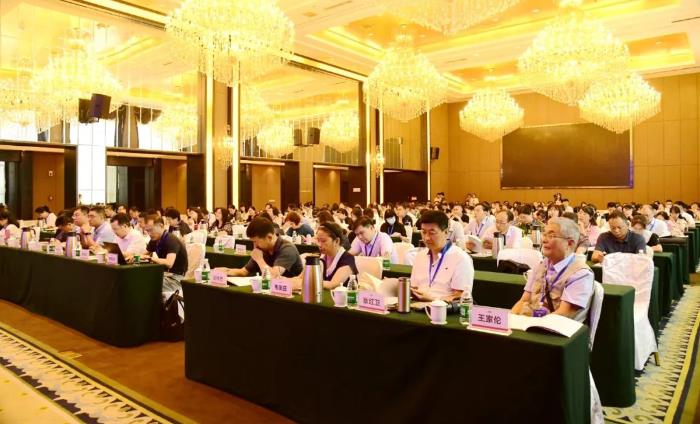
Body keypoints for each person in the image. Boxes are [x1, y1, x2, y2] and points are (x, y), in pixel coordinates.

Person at [511, 217, 594, 322]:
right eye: (544, 234)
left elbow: (564, 313)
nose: (544, 240)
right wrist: (509, 320)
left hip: (556, 328)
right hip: (531, 323)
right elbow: (523, 300)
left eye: (551, 236)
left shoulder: (581, 274)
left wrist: (533, 324)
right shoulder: (540, 266)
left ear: (569, 243)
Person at [409, 210, 473, 302]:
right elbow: (414, 287)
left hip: (444, 308)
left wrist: (434, 300)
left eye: (432, 233)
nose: (426, 238)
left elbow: (460, 297)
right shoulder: (420, 256)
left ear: (446, 232)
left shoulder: (460, 258)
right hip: (418, 305)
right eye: (423, 232)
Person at [216, 217, 303, 278]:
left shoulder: (287, 249)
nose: (254, 246)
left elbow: (273, 276)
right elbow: (244, 271)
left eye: (255, 242)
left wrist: (260, 260)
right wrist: (226, 271)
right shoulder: (262, 248)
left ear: (269, 237)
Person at [289, 223, 357, 290]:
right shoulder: (318, 256)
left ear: (336, 241)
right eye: (318, 240)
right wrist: (286, 281)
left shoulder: (348, 259)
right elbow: (300, 278)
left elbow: (332, 284)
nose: (319, 245)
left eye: (323, 241)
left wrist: (305, 282)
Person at [143, 216, 188, 293]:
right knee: (140, 278)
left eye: (151, 230)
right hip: (164, 275)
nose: (149, 234)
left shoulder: (171, 239)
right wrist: (134, 257)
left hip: (176, 279)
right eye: (147, 231)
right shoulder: (154, 239)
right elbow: (144, 254)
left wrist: (151, 258)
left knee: (146, 283)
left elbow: (169, 263)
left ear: (161, 226)